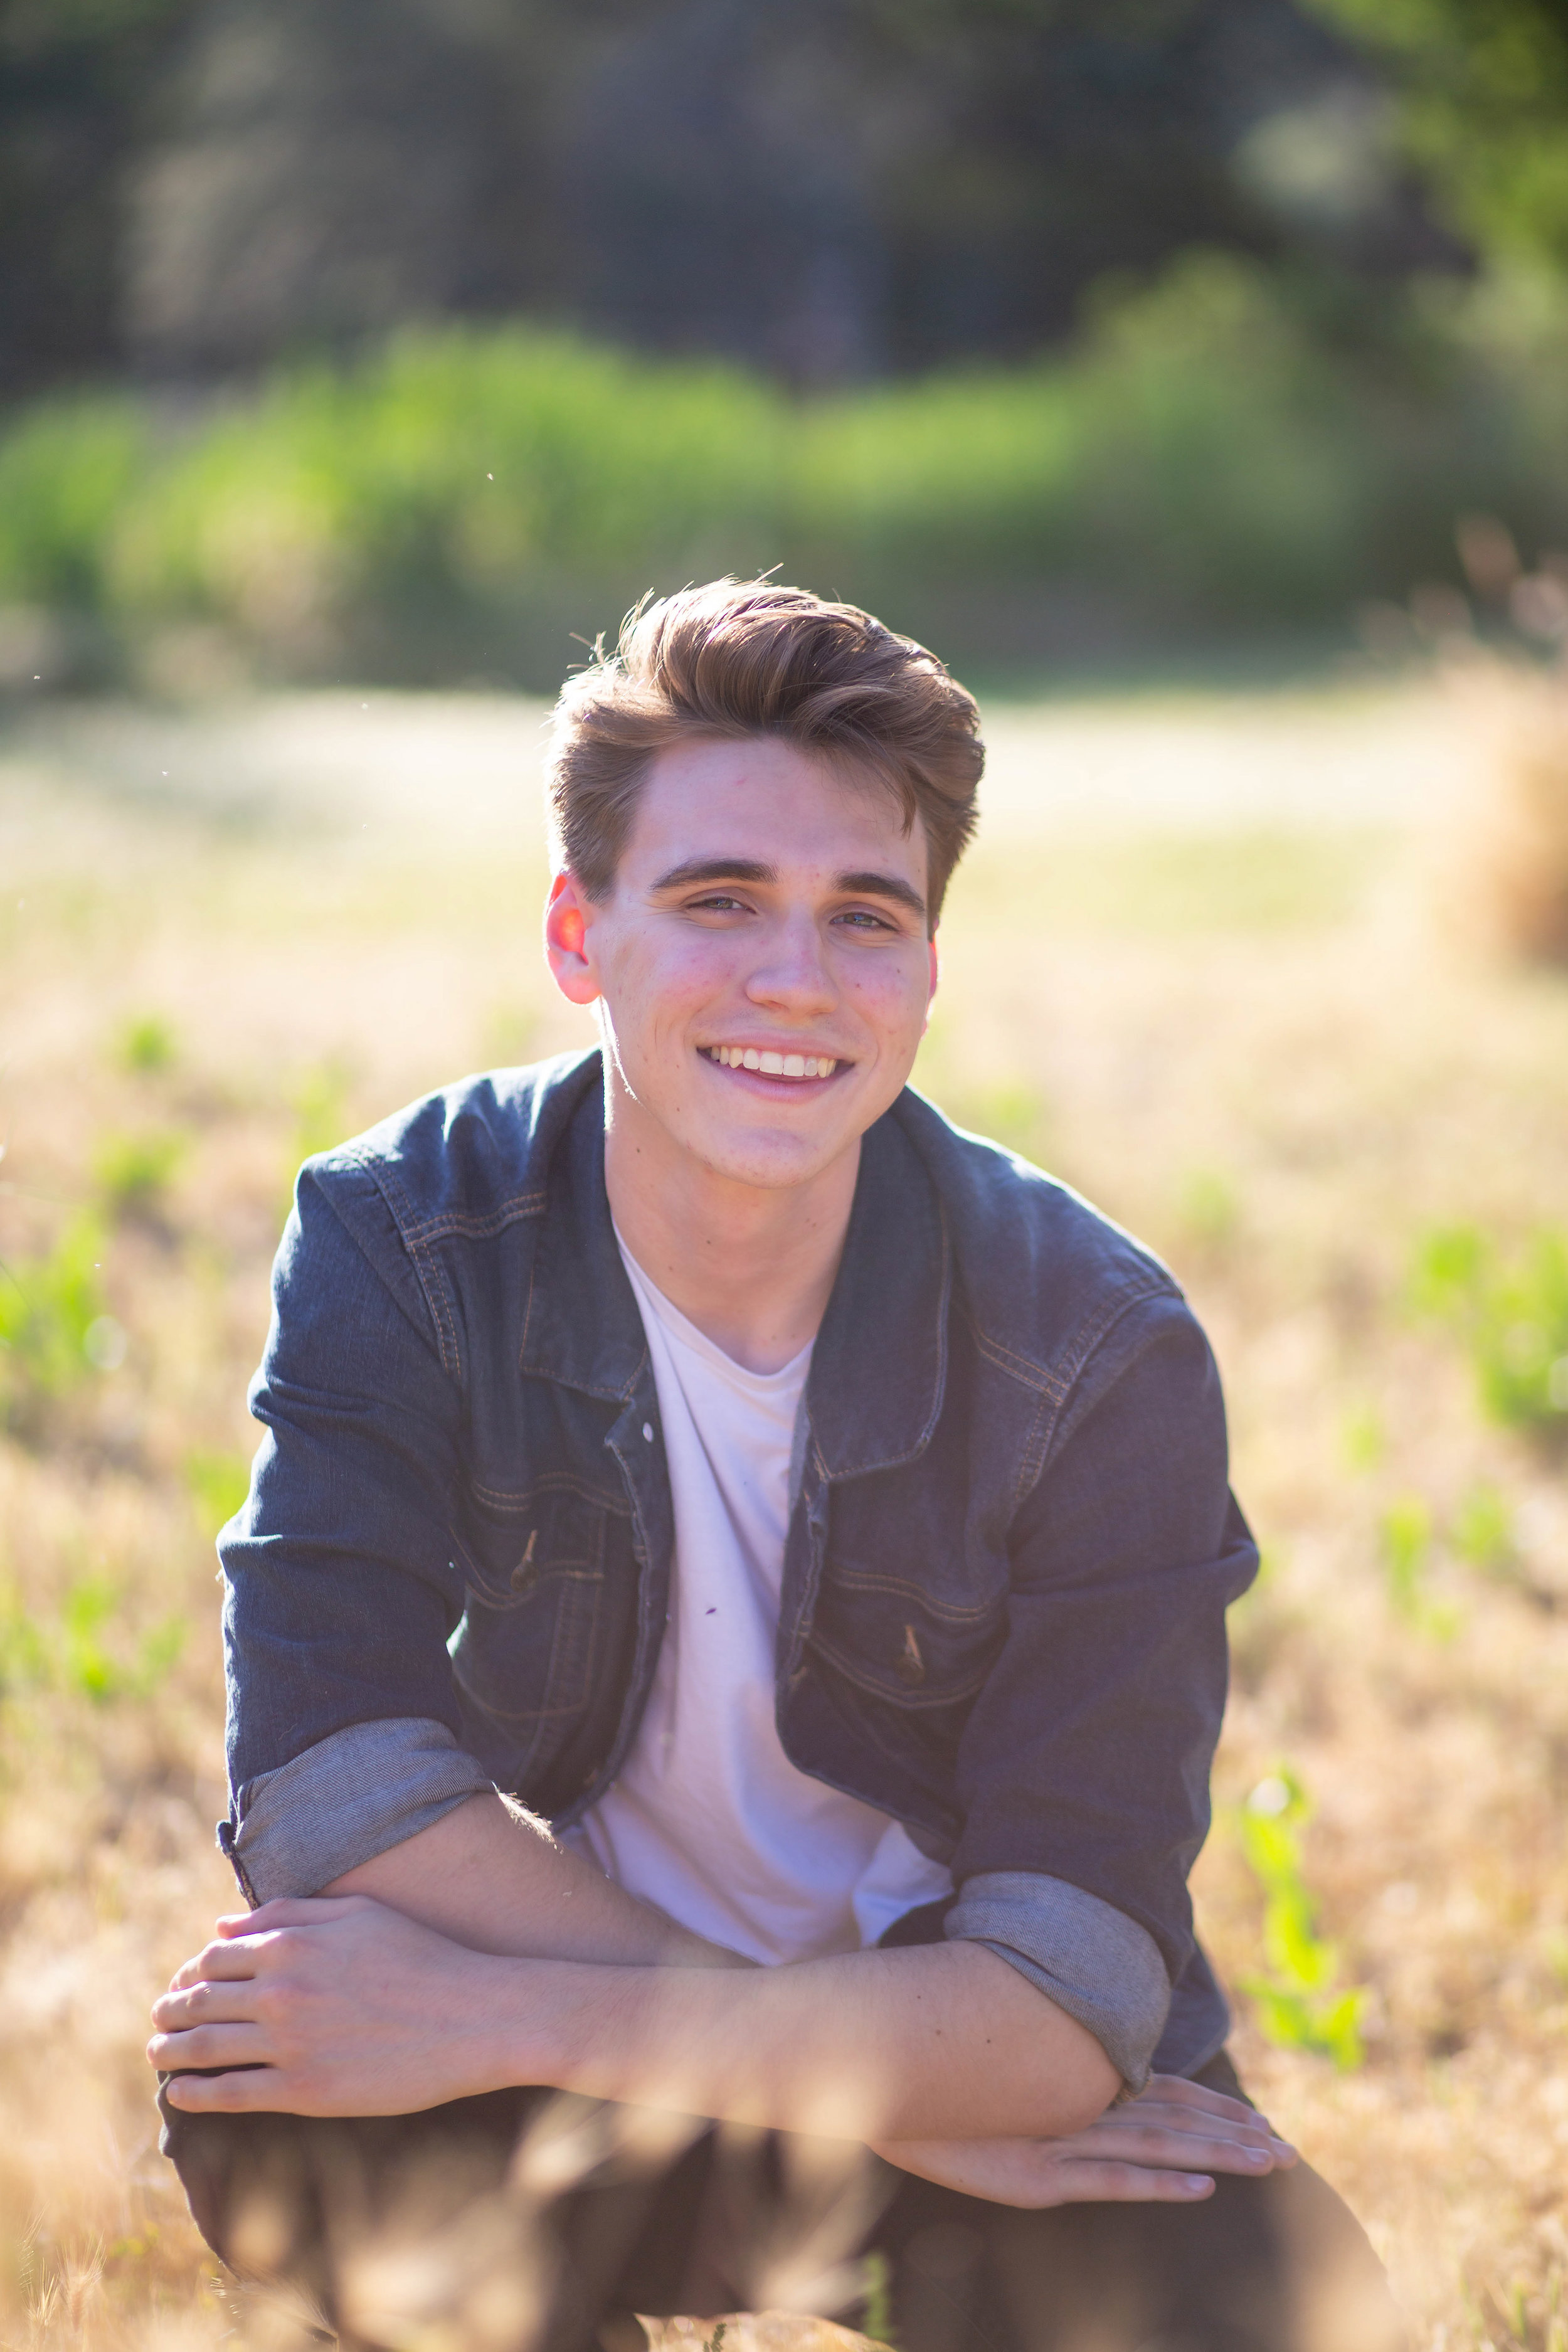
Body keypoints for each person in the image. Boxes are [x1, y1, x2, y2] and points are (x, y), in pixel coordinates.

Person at [150, 580, 1402, 2352]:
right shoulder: (404, 1236)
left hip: (920, 2085)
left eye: (863, 917)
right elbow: (331, 1788)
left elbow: (1065, 1995)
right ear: (579, 933)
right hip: (687, 2078)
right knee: (272, 2092)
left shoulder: (1096, 1348)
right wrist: (805, 2069)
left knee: (1278, 2310)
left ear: (928, 971)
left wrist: (561, 2025)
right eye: (719, 899)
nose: (794, 981)